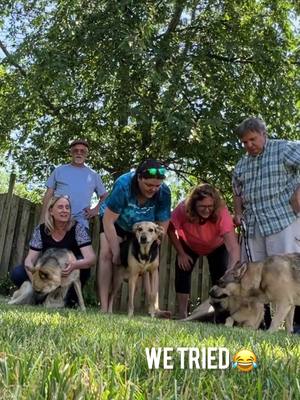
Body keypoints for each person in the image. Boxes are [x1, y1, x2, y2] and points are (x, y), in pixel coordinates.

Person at [232, 116, 300, 330]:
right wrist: (237, 212)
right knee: (257, 278)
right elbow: (237, 190)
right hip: (254, 227)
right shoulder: (242, 164)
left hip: (283, 221)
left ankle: (294, 326)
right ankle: (260, 322)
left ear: (264, 134)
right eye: (245, 142)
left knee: (287, 276)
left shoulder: (284, 149)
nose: (249, 145)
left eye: (252, 139)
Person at [98, 159, 171, 314]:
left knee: (149, 264)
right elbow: (108, 220)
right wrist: (117, 251)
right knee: (107, 254)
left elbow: (163, 223)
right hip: (116, 222)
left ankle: (154, 308)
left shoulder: (164, 192)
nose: (153, 189)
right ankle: (104, 307)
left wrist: (157, 242)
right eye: (149, 185)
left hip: (143, 228)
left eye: (157, 186)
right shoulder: (124, 185)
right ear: (139, 178)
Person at [168, 184, 240, 319]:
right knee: (182, 270)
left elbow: (233, 247)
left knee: (220, 275)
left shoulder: (221, 212)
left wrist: (231, 270)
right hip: (189, 243)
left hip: (217, 245)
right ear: (194, 205)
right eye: (202, 207)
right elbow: (170, 228)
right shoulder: (183, 208)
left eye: (210, 207)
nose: (207, 210)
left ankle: (220, 315)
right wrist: (181, 253)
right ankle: (183, 314)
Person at [10, 195, 96, 306]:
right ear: (51, 211)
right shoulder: (42, 230)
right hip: (48, 273)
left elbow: (91, 259)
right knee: (17, 273)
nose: (64, 210)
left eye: (67, 207)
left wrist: (74, 265)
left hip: (68, 272)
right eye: (60, 207)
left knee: (83, 265)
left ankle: (70, 299)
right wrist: (36, 281)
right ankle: (39, 294)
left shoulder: (77, 228)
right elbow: (29, 260)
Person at [41, 139, 108, 230]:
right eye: (75, 150)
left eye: (82, 151)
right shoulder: (59, 170)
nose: (79, 153)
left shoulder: (94, 175)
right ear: (71, 153)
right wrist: (43, 218)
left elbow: (105, 196)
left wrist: (96, 210)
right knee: (52, 244)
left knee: (82, 244)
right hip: (56, 221)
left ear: (86, 154)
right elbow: (48, 194)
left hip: (80, 223)